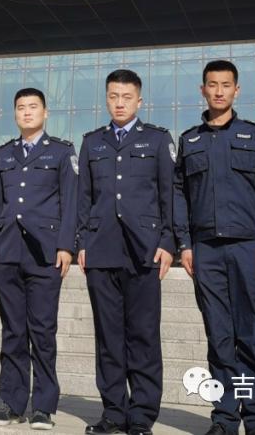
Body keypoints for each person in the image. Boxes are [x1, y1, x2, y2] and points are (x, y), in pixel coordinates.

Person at [174, 60, 255, 435]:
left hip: (247, 248)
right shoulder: (189, 141)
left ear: (236, 90)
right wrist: (184, 244)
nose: (219, 91)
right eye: (212, 84)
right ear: (202, 90)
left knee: (251, 336)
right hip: (205, 250)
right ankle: (224, 418)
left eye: (226, 85)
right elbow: (179, 196)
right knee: (218, 336)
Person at [76, 69, 176, 435]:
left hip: (144, 250)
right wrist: (81, 242)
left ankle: (142, 417)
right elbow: (83, 198)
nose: (120, 103)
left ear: (139, 101)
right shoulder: (92, 142)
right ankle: (114, 413)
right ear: (106, 99)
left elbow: (169, 194)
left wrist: (168, 242)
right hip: (101, 249)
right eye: (113, 96)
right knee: (109, 337)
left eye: (127, 97)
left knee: (143, 335)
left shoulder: (157, 140)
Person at [0, 87, 77, 431]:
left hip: (45, 252)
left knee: (43, 331)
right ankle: (12, 403)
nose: (26, 112)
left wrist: (66, 246)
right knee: (13, 331)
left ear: (45, 112)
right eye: (20, 107)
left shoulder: (62, 151)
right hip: (7, 251)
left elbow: (70, 202)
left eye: (33, 107)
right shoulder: (4, 153)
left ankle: (44, 406)